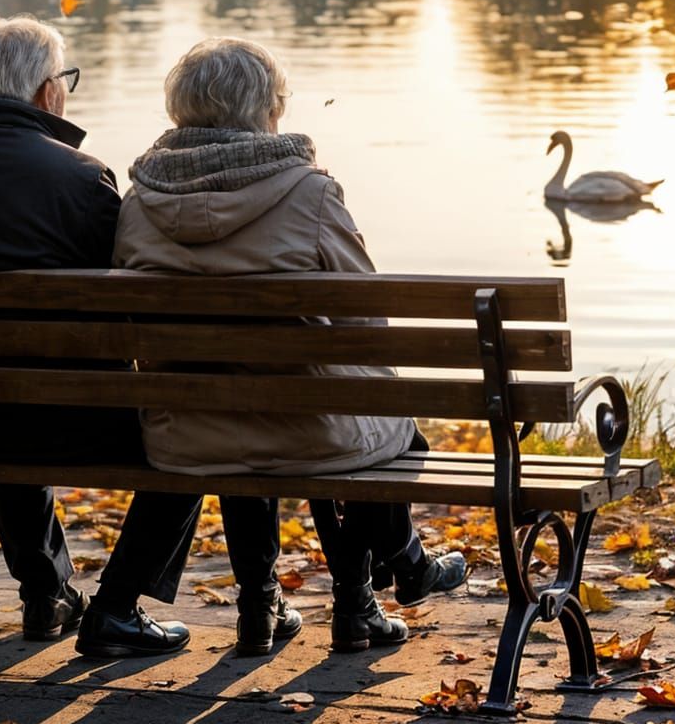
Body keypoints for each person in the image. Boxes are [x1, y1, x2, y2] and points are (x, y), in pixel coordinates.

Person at [0, 14, 274, 660]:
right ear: (44, 92)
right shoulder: (81, 178)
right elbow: (124, 307)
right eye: (66, 81)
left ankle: (46, 592)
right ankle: (116, 606)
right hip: (66, 418)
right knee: (191, 428)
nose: (67, 93)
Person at [112, 36, 469, 657]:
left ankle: (261, 607)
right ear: (266, 110)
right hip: (310, 429)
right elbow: (369, 319)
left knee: (240, 404)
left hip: (186, 432)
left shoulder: (138, 203)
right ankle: (367, 597)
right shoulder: (310, 193)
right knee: (363, 411)